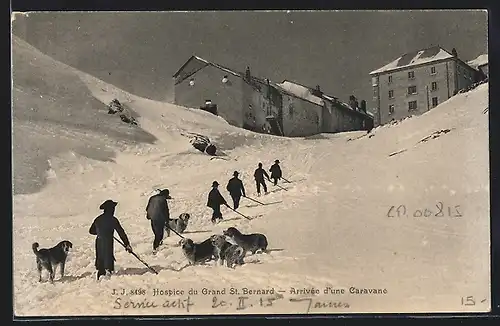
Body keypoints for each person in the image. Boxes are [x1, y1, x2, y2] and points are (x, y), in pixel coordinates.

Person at [89, 200, 132, 280]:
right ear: (111, 209)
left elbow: (91, 231)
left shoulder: (98, 219)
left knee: (100, 257)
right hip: (108, 241)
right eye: (113, 208)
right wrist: (127, 244)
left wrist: (100, 232)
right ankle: (108, 275)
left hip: (99, 241)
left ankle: (100, 275)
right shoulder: (113, 219)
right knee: (108, 257)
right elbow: (121, 232)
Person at [146, 189, 172, 254]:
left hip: (153, 219)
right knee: (159, 235)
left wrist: (149, 215)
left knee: (156, 234)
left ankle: (157, 245)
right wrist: (167, 220)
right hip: (159, 219)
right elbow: (166, 211)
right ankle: (155, 249)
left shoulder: (152, 198)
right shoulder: (163, 200)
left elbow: (147, 208)